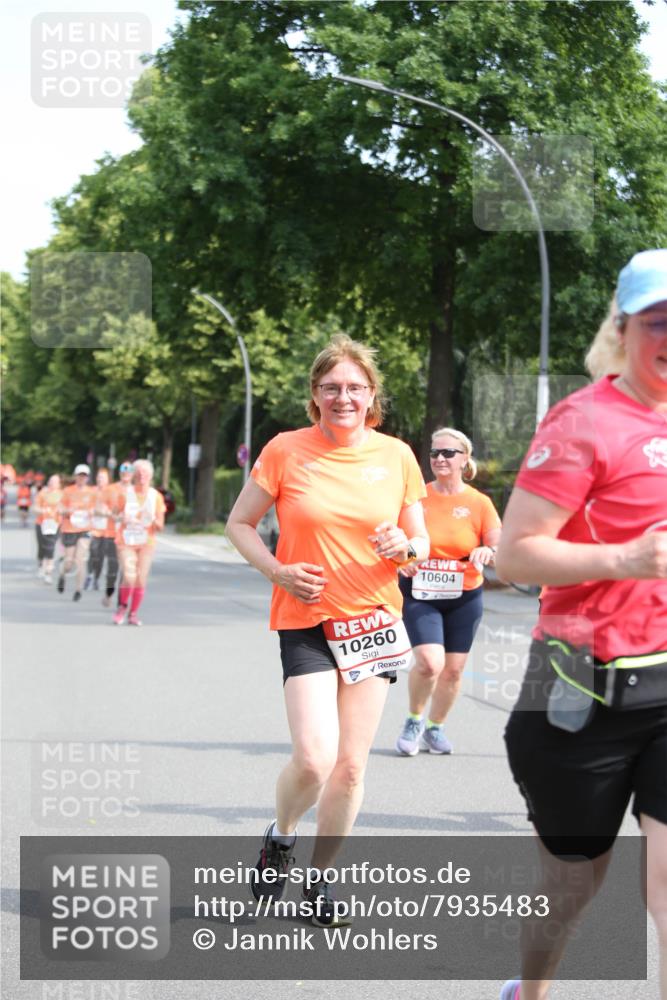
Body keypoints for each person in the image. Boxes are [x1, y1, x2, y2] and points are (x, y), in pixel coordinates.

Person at [496, 249, 667, 1000]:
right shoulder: (583, 423)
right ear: (623, 327)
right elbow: (515, 556)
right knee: (571, 883)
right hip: (576, 689)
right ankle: (529, 992)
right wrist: (627, 558)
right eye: (659, 322)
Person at [226, 333, 429, 926]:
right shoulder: (286, 450)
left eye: (355, 388)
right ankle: (281, 834)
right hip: (307, 619)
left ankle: (324, 879)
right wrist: (277, 570)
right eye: (332, 388)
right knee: (315, 759)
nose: (345, 397)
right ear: (315, 395)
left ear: (371, 396)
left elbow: (419, 547)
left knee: (351, 766)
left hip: (373, 621)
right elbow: (240, 523)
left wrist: (405, 546)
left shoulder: (396, 456)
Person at [395, 428, 501, 756]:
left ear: (464, 459)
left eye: (448, 453)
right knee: (430, 662)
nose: (439, 458)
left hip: (464, 595)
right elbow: (398, 539)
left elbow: (499, 542)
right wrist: (403, 559)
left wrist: (487, 551)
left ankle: (435, 727)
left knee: (453, 669)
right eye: (434, 453)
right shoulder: (417, 498)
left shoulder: (479, 503)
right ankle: (414, 720)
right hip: (420, 591)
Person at [112, 459, 165, 626]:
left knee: (141, 579)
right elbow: (114, 515)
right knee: (129, 576)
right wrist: (123, 517)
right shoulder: (125, 493)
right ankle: (122, 608)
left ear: (150, 476)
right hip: (126, 540)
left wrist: (152, 519)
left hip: (146, 542)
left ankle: (133, 614)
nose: (142, 476)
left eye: (145, 473)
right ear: (134, 475)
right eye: (139, 473)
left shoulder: (155, 496)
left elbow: (160, 526)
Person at [57, 464, 96, 601]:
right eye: (80, 475)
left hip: (85, 529)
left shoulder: (92, 492)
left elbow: (98, 508)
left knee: (80, 559)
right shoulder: (68, 491)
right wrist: (65, 510)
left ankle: (78, 590)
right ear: (75, 476)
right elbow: (60, 506)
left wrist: (93, 511)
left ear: (87, 478)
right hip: (69, 528)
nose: (82, 478)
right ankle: (62, 574)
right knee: (69, 562)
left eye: (84, 476)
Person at [86, 468, 119, 606]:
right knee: (93, 552)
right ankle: (89, 574)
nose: (100, 480)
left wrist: (107, 512)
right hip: (93, 528)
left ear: (108, 480)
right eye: (99, 477)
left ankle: (95, 578)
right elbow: (88, 507)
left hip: (107, 529)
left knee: (101, 556)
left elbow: (115, 510)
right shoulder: (92, 491)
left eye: (103, 478)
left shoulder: (112, 492)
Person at [34, 474, 63, 583]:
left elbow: (65, 507)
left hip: (55, 524)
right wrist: (42, 511)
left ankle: (48, 573)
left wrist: (62, 511)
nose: (52, 483)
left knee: (50, 547)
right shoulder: (42, 493)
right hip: (42, 523)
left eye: (55, 482)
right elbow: (35, 507)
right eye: (51, 481)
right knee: (42, 547)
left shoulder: (62, 495)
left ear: (59, 484)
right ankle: (41, 563)